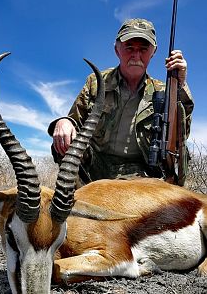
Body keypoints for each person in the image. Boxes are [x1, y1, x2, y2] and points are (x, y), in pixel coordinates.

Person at [48, 18, 194, 185]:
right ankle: (74, 197)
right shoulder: (96, 82)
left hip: (140, 173)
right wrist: (64, 121)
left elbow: (180, 137)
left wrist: (180, 85)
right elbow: (75, 120)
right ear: (117, 49)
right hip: (95, 164)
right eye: (129, 48)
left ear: (153, 52)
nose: (136, 55)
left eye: (143, 49)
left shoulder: (163, 91)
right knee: (65, 139)